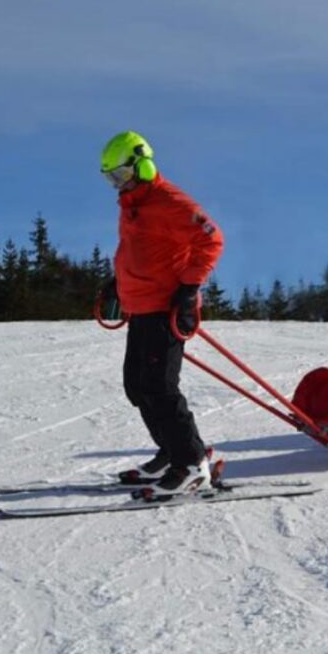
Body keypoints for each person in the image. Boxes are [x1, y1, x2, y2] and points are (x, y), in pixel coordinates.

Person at [98, 131, 224, 496]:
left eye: (120, 175)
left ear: (143, 164)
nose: (117, 185)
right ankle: (171, 454)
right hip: (140, 308)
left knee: (160, 387)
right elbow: (142, 251)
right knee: (137, 386)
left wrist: (188, 288)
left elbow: (211, 239)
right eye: (111, 179)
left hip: (166, 309)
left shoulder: (169, 201)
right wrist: (117, 283)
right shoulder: (133, 204)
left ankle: (191, 464)